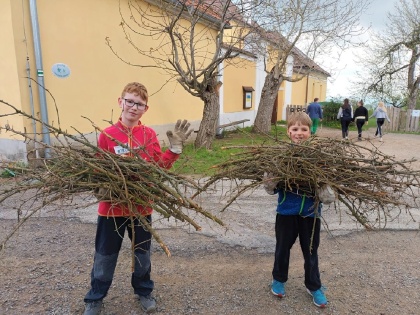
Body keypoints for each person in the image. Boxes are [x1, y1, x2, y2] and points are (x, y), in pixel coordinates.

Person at [83, 82, 192, 315]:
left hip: (141, 206)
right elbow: (97, 170)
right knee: (105, 255)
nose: (134, 107)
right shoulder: (107, 135)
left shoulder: (149, 135)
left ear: (145, 109)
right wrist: (101, 187)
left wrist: (174, 151)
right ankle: (95, 297)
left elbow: (157, 168)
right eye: (130, 101)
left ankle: (143, 291)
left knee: (142, 253)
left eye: (139, 104)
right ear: (120, 102)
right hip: (111, 209)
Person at [263, 112, 334, 309]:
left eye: (304, 129)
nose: (299, 133)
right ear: (288, 132)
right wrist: (272, 177)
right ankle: (278, 279)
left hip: (311, 214)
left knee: (311, 251)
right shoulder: (280, 157)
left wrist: (324, 186)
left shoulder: (319, 158)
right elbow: (270, 189)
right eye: (295, 129)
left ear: (310, 132)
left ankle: (314, 286)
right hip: (286, 212)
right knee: (282, 248)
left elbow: (328, 194)